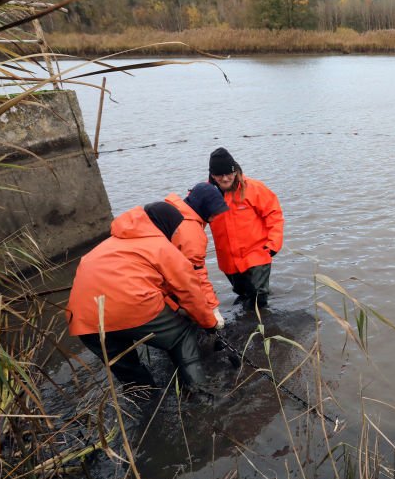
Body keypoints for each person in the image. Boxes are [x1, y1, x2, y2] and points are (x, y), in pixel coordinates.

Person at [66, 202, 218, 391]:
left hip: (83, 320)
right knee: (183, 335)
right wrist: (209, 323)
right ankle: (200, 391)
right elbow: (190, 292)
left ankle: (146, 403)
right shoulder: (160, 245)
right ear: (166, 226)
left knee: (125, 365)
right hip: (129, 307)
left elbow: (147, 284)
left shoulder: (107, 245)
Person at [207, 147, 284, 309]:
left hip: (257, 253)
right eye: (220, 175)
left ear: (236, 171)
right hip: (228, 259)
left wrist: (274, 243)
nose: (226, 178)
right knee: (243, 294)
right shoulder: (205, 194)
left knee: (258, 298)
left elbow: (274, 214)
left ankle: (263, 327)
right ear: (212, 176)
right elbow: (190, 218)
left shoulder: (254, 188)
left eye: (229, 173)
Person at [164, 182, 229, 329]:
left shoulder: (175, 210)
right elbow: (196, 273)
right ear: (202, 207)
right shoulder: (190, 231)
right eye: (212, 212)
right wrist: (213, 308)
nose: (213, 218)